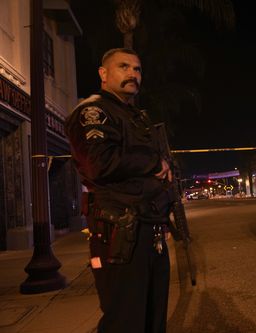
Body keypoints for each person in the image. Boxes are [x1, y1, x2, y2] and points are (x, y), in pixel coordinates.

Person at [65, 48, 173, 332]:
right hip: (119, 231)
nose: (132, 74)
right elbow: (97, 163)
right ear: (103, 73)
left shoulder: (133, 115)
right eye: (123, 67)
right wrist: (153, 162)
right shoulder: (93, 111)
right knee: (126, 319)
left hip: (149, 227)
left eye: (137, 69)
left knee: (153, 316)